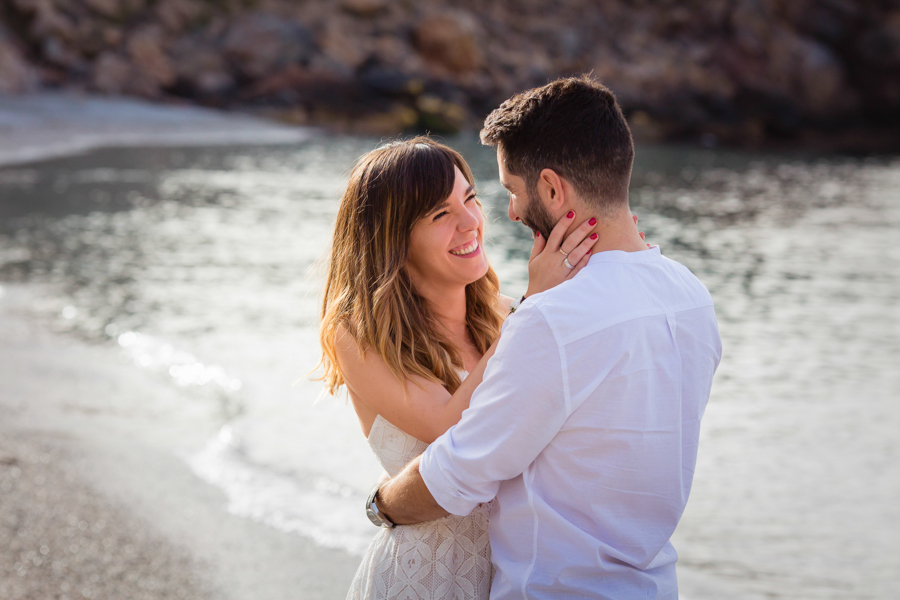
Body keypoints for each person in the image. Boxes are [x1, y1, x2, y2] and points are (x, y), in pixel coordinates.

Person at [370, 75, 723, 599]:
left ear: (553, 188)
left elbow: (459, 474)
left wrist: (382, 505)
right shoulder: (691, 295)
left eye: (512, 189)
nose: (509, 212)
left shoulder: (552, 318)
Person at [318, 137, 603, 599]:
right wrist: (534, 305)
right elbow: (448, 425)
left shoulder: (509, 317)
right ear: (394, 238)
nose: (470, 221)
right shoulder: (356, 334)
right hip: (422, 580)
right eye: (440, 214)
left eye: (469, 198)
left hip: (517, 580)